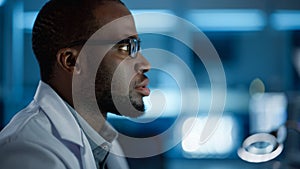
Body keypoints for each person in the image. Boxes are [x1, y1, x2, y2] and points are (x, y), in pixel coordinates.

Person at [0, 0, 151, 168]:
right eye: (124, 48)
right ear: (72, 61)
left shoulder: (103, 142)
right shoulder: (28, 151)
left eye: (137, 47)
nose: (145, 64)